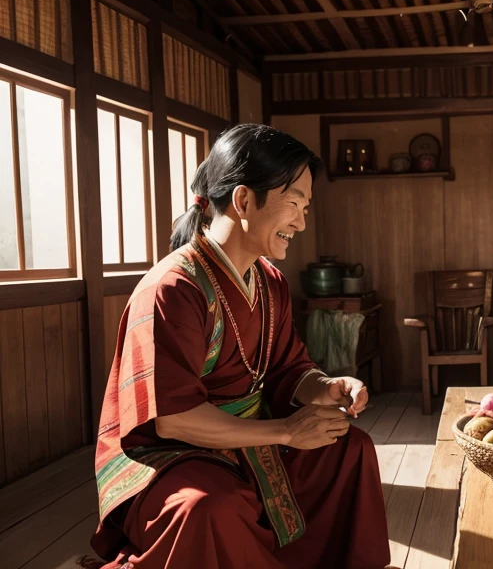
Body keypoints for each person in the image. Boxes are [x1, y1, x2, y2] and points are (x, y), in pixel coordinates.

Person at [90, 124, 390, 568]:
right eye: (293, 204)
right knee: (210, 508)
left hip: (248, 438)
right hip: (168, 454)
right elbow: (173, 420)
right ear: (245, 200)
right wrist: (287, 432)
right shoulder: (172, 288)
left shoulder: (270, 283)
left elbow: (289, 369)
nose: (301, 222)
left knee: (349, 449)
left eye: (305, 207)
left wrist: (325, 386)